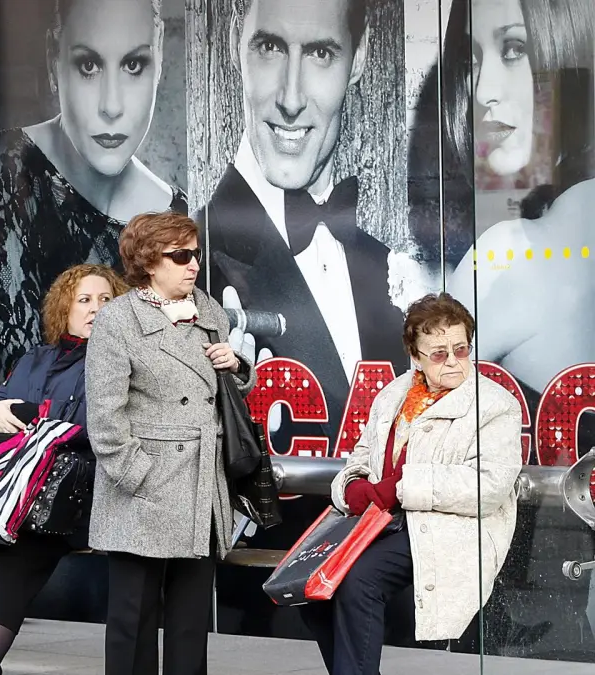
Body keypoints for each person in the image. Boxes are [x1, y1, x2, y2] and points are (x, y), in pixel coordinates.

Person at [204, 0, 406, 441]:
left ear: (359, 58)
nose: (291, 99)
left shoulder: (390, 269)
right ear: (237, 41)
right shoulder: (190, 263)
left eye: (320, 53)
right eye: (270, 47)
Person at [299, 292, 523, 674]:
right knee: (314, 587)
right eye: (438, 353)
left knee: (359, 581)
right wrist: (352, 486)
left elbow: (488, 486)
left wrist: (400, 486)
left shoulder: (495, 404)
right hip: (382, 521)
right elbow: (361, 456)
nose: (452, 361)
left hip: (448, 526)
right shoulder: (394, 393)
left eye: (461, 349)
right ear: (415, 356)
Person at [0, 263, 128, 675]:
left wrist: (38, 421)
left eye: (106, 299)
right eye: (84, 300)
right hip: (6, 492)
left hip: (62, 501)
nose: (96, 308)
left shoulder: (120, 362)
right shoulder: (35, 359)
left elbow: (102, 431)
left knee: (10, 551)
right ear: (64, 309)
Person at [85, 211, 255, 675]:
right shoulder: (118, 319)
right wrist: (137, 475)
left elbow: (224, 391)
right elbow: (104, 416)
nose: (193, 264)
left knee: (190, 623)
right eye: (179, 255)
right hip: (144, 491)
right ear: (147, 262)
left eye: (195, 254)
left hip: (200, 485)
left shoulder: (209, 310)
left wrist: (236, 366)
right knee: (133, 622)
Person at [0, 0, 188, 376]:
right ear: (53, 57)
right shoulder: (7, 168)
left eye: (134, 65)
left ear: (160, 55)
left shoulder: (175, 216)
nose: (111, 106)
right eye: (88, 65)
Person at [443, 0, 595, 396]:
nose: (483, 91)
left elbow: (410, 422)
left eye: (514, 49)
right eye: (471, 60)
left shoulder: (505, 257)